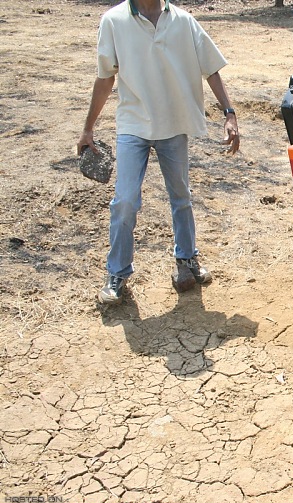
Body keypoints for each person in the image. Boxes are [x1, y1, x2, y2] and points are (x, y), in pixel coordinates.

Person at [77, 0, 240, 304]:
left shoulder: (182, 20)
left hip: (174, 122)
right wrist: (88, 129)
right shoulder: (113, 20)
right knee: (125, 200)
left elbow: (211, 68)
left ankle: (187, 258)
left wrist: (229, 114)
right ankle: (117, 273)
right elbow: (105, 77)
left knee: (181, 196)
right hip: (133, 124)